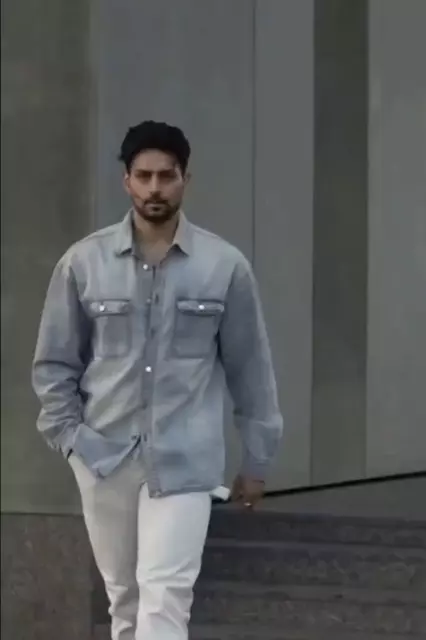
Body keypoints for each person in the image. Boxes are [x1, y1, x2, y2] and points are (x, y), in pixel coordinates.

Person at [32, 120, 283, 640]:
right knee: (124, 600)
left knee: (165, 596)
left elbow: (252, 370)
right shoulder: (83, 263)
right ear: (126, 180)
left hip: (186, 459)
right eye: (143, 176)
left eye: (166, 176)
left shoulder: (224, 266)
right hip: (103, 457)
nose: (154, 188)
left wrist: (257, 460)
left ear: (185, 179)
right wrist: (71, 439)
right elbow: (55, 363)